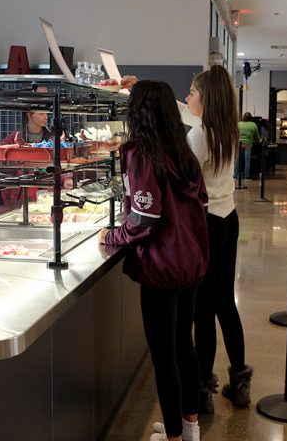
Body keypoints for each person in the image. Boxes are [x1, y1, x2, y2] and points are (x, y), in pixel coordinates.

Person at [98, 79, 209, 441]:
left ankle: (173, 437)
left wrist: (113, 236)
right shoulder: (183, 150)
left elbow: (145, 218)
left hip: (161, 266)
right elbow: (201, 203)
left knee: (164, 355)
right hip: (190, 261)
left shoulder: (141, 152)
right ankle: (189, 426)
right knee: (184, 345)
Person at [183, 66, 253, 415]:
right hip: (229, 219)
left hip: (206, 225)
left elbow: (186, 182)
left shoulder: (198, 136)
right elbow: (190, 115)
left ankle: (201, 391)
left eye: (192, 93)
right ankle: (239, 382)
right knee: (225, 303)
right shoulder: (226, 130)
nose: (187, 98)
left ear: (205, 99)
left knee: (202, 311)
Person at [0, 87, 53, 204]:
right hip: (19, 198)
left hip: (46, 196)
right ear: (29, 115)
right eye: (41, 113)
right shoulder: (11, 140)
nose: (46, 117)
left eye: (47, 113)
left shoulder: (52, 139)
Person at [235, 112, 260, 180]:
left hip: (239, 144)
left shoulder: (239, 124)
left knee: (237, 160)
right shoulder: (253, 125)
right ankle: (246, 176)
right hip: (248, 144)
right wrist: (258, 140)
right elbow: (257, 137)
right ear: (250, 118)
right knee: (247, 160)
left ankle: (235, 175)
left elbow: (235, 134)